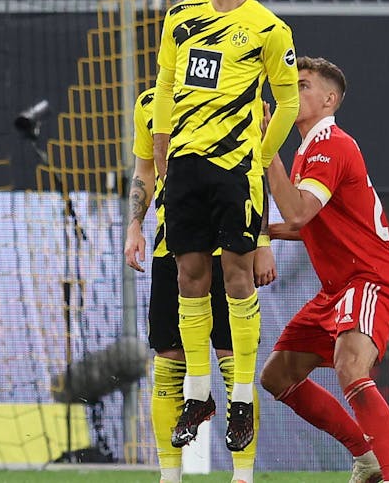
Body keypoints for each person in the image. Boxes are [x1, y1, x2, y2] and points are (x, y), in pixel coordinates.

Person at [151, 0, 300, 452]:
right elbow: (165, 86)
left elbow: (287, 103)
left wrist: (258, 157)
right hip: (185, 169)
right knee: (189, 276)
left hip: (235, 171)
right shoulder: (179, 18)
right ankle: (198, 394)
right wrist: (162, 149)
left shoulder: (269, 29)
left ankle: (240, 398)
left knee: (237, 279)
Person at [259, 57, 389, 483]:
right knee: (277, 376)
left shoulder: (331, 144)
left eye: (302, 85)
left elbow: (298, 213)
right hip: (338, 287)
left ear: (329, 100)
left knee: (350, 366)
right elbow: (304, 224)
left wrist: (266, 152)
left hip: (371, 277)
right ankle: (367, 457)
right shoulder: (308, 150)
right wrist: (259, 233)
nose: (291, 92)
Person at [126, 83, 276, 483]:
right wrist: (134, 226)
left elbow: (254, 168)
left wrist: (262, 241)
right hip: (171, 247)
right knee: (167, 363)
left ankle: (242, 476)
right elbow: (144, 169)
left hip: (228, 249)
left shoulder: (236, 93)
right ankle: (169, 476)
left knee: (234, 364)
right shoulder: (148, 104)